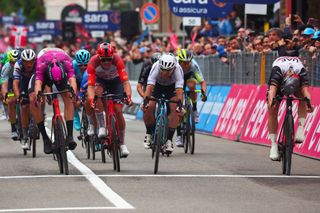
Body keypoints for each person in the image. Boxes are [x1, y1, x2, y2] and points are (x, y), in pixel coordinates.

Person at [87, 42, 132, 158]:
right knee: (97, 93)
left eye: (109, 59)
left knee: (118, 110)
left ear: (112, 56)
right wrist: (92, 99)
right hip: (101, 81)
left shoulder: (117, 60)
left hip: (115, 81)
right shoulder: (93, 62)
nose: (106, 63)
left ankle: (122, 143)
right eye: (103, 60)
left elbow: (125, 82)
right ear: (98, 57)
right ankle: (102, 126)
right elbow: (91, 86)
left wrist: (128, 95)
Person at [267, 54, 313, 161]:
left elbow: (306, 91)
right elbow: (272, 90)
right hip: (279, 83)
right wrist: (271, 103)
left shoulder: (301, 71)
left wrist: (309, 105)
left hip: (296, 78)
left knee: (303, 98)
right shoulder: (277, 71)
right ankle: (273, 145)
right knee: (272, 110)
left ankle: (301, 128)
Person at [31, 47, 77, 154]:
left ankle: (70, 136)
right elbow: (38, 83)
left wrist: (73, 93)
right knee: (33, 99)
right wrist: (38, 95)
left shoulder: (67, 61)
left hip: (60, 75)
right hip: (44, 72)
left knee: (68, 96)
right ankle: (46, 139)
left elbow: (72, 80)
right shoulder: (40, 64)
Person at [142, 53, 184, 153]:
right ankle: (148, 133)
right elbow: (149, 87)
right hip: (157, 86)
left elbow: (179, 90)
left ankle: (169, 139)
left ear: (173, 68)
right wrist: (145, 103)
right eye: (163, 70)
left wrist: (180, 105)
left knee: (175, 109)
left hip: (172, 87)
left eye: (168, 70)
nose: (165, 73)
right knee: (149, 107)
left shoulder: (178, 69)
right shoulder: (156, 67)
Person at [175, 49, 207, 147]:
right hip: (177, 77)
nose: (186, 65)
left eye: (188, 62)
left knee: (192, 85)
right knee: (178, 108)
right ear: (179, 61)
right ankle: (179, 135)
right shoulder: (175, 65)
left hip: (189, 76)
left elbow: (202, 82)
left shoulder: (193, 65)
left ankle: (194, 109)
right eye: (184, 63)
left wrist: (203, 94)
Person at [13, 49, 37, 149]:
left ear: (34, 60)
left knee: (40, 99)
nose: (28, 64)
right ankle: (25, 136)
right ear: (22, 61)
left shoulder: (38, 64)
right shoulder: (18, 65)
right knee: (24, 107)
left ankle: (40, 117)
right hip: (24, 82)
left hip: (36, 81)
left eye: (31, 61)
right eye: (26, 62)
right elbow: (15, 83)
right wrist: (18, 96)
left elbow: (43, 81)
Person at [1, 49, 19, 140]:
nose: (14, 64)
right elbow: (4, 84)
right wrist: (6, 96)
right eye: (12, 62)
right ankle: (13, 129)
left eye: (15, 62)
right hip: (11, 82)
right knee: (11, 101)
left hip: (22, 80)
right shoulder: (7, 67)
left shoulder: (22, 65)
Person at [72, 49, 91, 131]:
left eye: (85, 65)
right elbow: (71, 81)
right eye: (80, 65)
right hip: (76, 83)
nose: (83, 67)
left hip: (88, 83)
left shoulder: (92, 64)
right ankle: (75, 115)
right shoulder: (72, 65)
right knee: (72, 97)